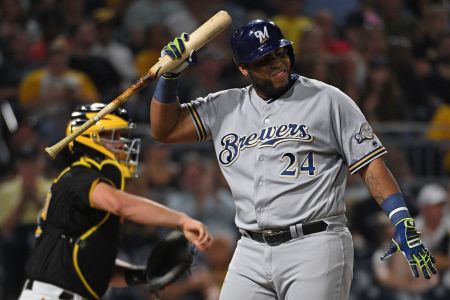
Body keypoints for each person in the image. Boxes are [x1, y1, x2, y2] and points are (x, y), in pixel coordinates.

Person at [149, 19, 436, 300]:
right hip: (250, 248)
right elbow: (166, 129)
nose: (277, 62)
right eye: (264, 59)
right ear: (243, 68)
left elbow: (370, 164)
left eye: (280, 52)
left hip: (315, 244)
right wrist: (169, 77)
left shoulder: (328, 100)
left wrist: (402, 220)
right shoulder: (225, 105)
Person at [18, 103, 213, 300]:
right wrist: (181, 220)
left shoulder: (90, 190)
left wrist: (142, 275)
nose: (122, 144)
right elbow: (122, 204)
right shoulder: (77, 176)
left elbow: (93, 265)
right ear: (90, 138)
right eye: (114, 136)